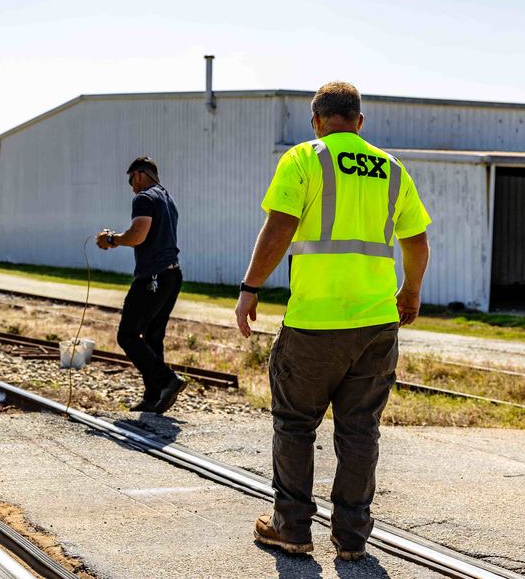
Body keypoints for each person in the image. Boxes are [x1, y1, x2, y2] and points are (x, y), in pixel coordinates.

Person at [235, 81, 431, 560]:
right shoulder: (391, 168)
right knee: (360, 430)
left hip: (314, 323)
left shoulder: (305, 158)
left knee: (296, 425)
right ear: (359, 122)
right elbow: (417, 241)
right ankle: (351, 539)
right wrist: (410, 291)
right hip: (377, 324)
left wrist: (249, 288)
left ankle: (293, 529)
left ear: (317, 120)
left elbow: (279, 227)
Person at [96, 156, 187, 414]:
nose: (131, 186)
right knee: (152, 336)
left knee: (127, 334)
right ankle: (154, 396)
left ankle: (167, 380)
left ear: (138, 174)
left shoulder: (144, 198)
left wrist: (111, 239)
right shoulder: (168, 200)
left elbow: (138, 235)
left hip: (153, 277)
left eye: (130, 180)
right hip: (172, 275)